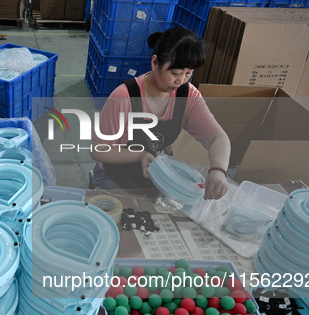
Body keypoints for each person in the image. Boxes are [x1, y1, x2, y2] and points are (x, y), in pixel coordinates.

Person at [90, 27, 231, 200]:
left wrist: (218, 170)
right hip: (115, 175)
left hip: (158, 175)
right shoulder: (124, 97)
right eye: (175, 73)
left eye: (188, 73)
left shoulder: (187, 96)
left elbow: (217, 138)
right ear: (155, 63)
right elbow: (98, 150)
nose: (181, 80)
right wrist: (140, 155)